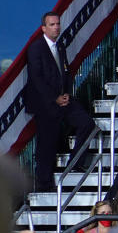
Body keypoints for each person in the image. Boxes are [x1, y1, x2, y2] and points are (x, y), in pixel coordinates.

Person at [26, 12, 96, 191]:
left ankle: (74, 164)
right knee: (46, 145)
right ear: (43, 28)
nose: (56, 27)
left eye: (57, 24)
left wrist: (65, 94)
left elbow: (65, 73)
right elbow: (36, 78)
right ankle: (44, 185)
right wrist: (54, 98)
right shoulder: (36, 48)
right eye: (52, 24)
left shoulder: (60, 46)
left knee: (87, 124)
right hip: (45, 103)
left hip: (64, 99)